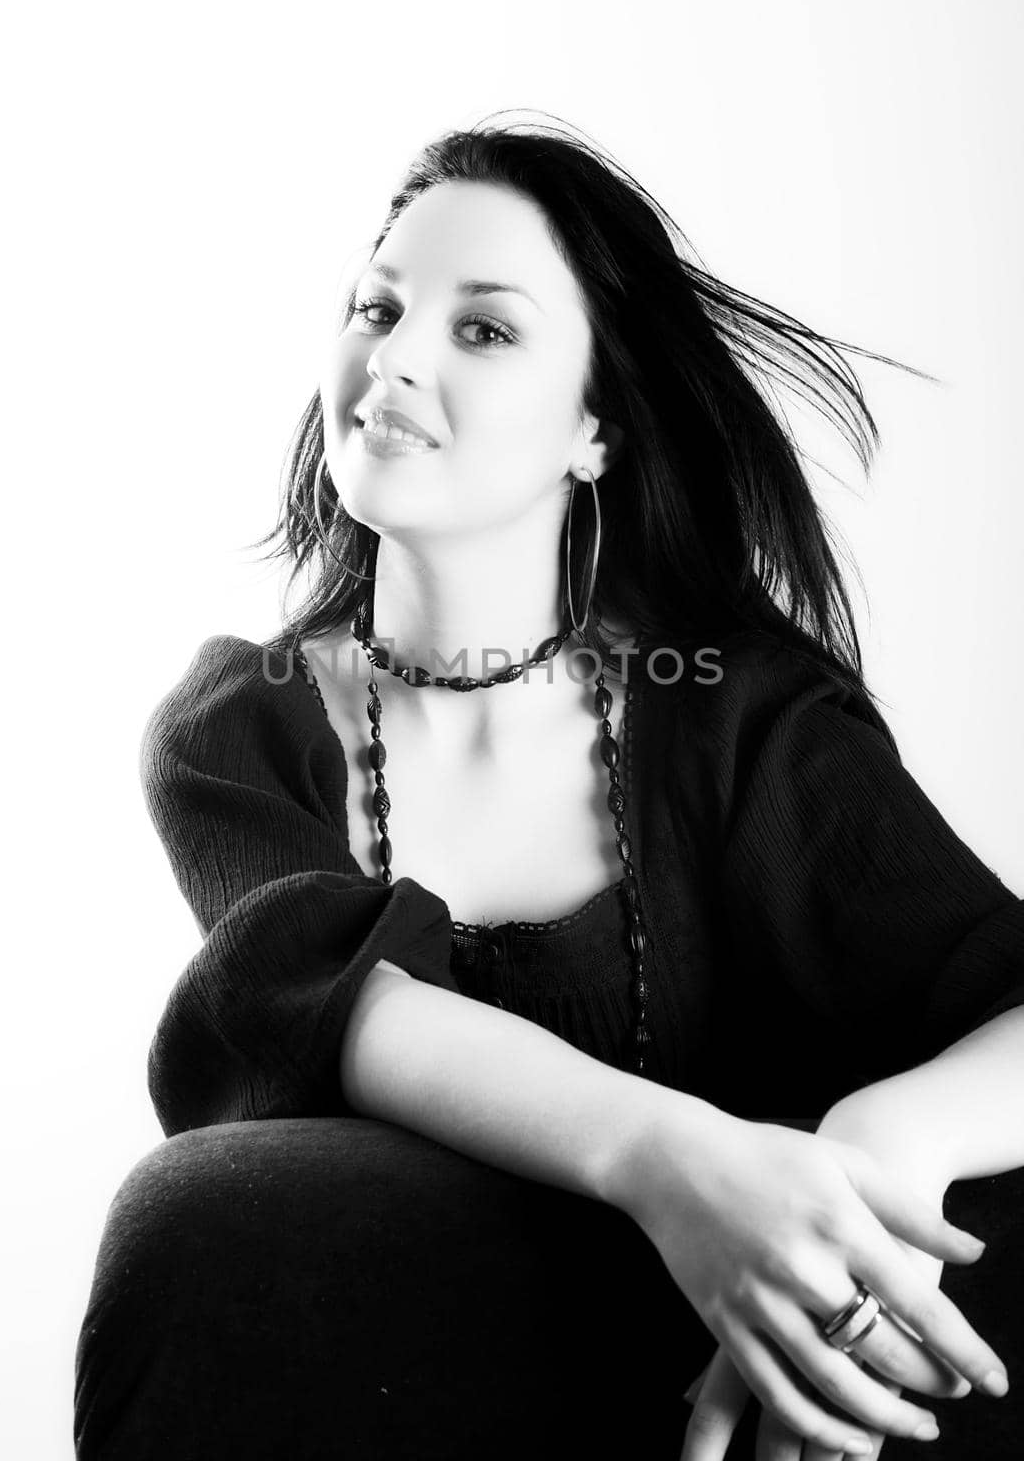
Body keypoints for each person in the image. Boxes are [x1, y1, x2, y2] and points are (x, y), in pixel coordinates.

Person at [74, 114, 1024, 1460]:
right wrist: (672, 1163)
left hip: (766, 1369)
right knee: (207, 1220)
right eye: (376, 304)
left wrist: (877, 1150)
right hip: (445, 1348)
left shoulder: (734, 712)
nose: (391, 358)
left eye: (483, 329)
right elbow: (344, 1010)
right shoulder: (246, 728)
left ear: (597, 429)